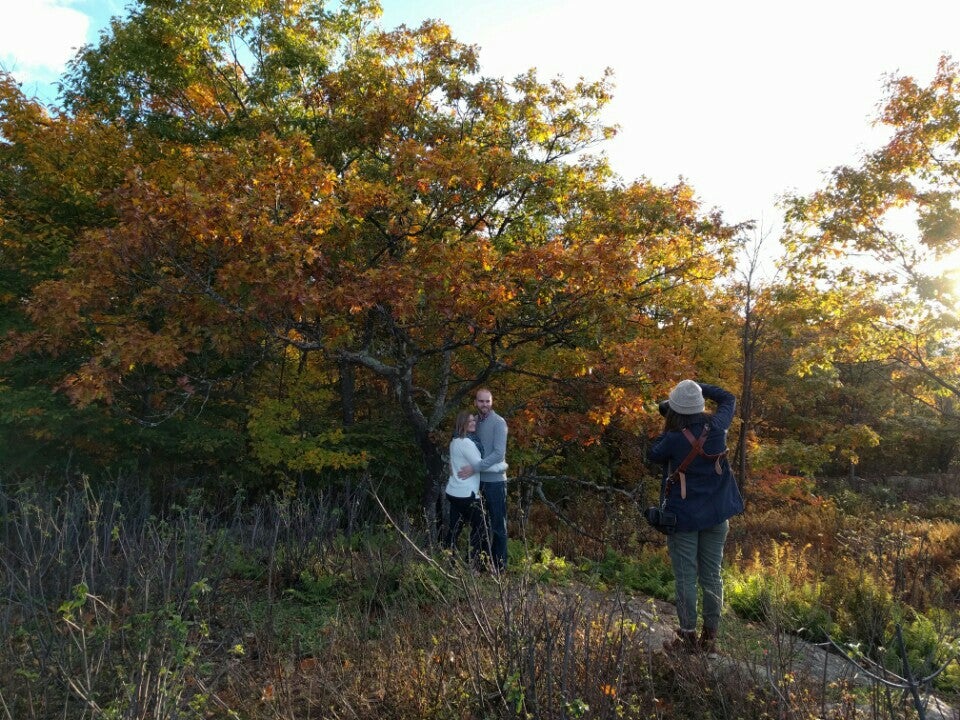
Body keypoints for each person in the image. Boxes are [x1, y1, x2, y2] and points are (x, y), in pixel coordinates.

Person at [648, 380, 744, 656]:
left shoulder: (674, 438)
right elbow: (728, 397)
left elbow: (653, 453)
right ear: (701, 405)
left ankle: (687, 637)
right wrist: (698, 386)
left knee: (686, 577)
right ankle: (710, 640)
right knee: (712, 576)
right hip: (717, 514)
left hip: (684, 518)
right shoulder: (717, 427)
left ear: (675, 409)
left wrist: (669, 419)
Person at [457, 388, 509, 572]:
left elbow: (498, 454)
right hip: (476, 481)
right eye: (481, 401)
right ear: (475, 402)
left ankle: (499, 567)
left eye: (487, 401)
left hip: (495, 482)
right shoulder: (474, 422)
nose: (484, 405)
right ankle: (479, 564)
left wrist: (474, 467)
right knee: (479, 524)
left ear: (492, 402)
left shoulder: (499, 423)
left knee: (497, 525)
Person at [445, 411, 485, 561]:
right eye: (469, 421)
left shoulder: (454, 441)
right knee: (481, 527)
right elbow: (481, 464)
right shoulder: (466, 443)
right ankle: (473, 561)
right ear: (462, 424)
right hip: (466, 494)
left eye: (474, 420)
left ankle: (448, 558)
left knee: (455, 527)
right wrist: (501, 466)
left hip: (454, 492)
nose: (473, 423)